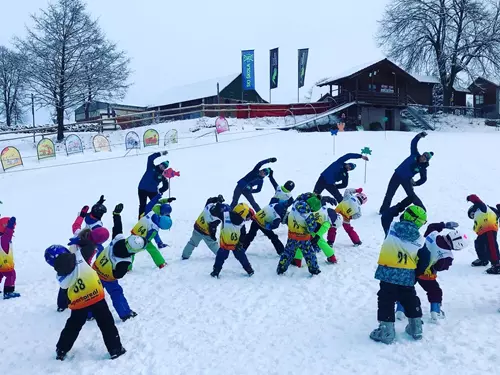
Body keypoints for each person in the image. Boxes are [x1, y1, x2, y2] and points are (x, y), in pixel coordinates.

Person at [47, 243, 126, 360]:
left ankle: (62, 349)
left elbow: (65, 293)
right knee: (106, 324)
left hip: (79, 303)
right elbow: (91, 245)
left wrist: (67, 304)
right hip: (96, 296)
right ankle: (115, 349)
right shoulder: (80, 256)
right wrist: (81, 240)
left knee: (73, 326)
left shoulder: (60, 277)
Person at [370, 203, 430, 344]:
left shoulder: (391, 229)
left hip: (387, 273)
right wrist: (416, 274)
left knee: (386, 300)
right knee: (409, 298)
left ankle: (386, 331)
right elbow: (425, 259)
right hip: (407, 275)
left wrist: (402, 204)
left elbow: (386, 215)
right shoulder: (421, 241)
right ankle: (416, 327)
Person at [396, 221, 466, 322]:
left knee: (405, 288)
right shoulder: (447, 256)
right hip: (425, 274)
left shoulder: (433, 234)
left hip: (410, 265)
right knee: (435, 291)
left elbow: (431, 226)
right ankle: (435, 311)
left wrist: (444, 225)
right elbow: (439, 267)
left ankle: (400, 309)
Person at [92, 203, 145, 322]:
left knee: (93, 294)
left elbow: (117, 227)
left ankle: (90, 314)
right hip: (107, 277)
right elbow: (118, 275)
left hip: (95, 268)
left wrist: (116, 214)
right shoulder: (124, 262)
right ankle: (125, 313)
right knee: (116, 293)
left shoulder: (118, 239)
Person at [379, 132, 433, 214]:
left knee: (411, 196)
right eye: (423, 156)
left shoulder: (422, 167)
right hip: (396, 175)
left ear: (426, 160)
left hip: (406, 180)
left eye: (425, 158)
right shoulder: (414, 154)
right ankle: (383, 211)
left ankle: (422, 210)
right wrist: (419, 136)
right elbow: (413, 143)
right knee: (389, 194)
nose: (423, 158)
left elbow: (424, 178)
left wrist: (415, 183)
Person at [277, 193, 322, 276]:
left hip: (292, 235)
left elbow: (302, 196)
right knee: (309, 254)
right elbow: (312, 227)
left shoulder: (295, 203)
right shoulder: (308, 215)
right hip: (303, 238)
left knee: (288, 253)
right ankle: (314, 269)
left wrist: (313, 195)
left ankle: (281, 268)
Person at [292, 196, 340, 267]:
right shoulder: (328, 221)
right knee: (321, 242)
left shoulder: (324, 208)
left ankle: (297, 260)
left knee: (302, 241)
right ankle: (332, 257)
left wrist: (328, 198)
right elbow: (323, 229)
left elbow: (321, 200)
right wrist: (317, 236)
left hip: (306, 219)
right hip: (311, 226)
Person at [210, 203, 255, 278]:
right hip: (236, 244)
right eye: (247, 215)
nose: (247, 218)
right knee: (242, 257)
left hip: (225, 244)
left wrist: (218, 203)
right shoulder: (242, 222)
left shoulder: (225, 215)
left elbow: (214, 212)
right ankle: (249, 269)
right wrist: (240, 243)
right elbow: (243, 234)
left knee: (220, 258)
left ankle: (216, 271)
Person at [130, 193, 172, 269]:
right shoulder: (155, 229)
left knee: (130, 252)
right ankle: (161, 263)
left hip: (134, 234)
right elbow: (148, 238)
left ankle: (127, 268)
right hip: (141, 241)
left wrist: (156, 198)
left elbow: (150, 204)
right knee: (153, 250)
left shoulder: (150, 213)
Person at [182, 195, 225, 260]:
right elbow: (212, 228)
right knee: (212, 244)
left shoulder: (209, 206)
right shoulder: (216, 218)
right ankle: (220, 255)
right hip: (206, 232)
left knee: (192, 242)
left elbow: (210, 200)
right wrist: (213, 237)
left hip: (197, 226)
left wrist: (217, 200)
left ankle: (185, 255)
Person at [466, 194, 500, 273]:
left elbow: (477, 201)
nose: (473, 217)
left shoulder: (482, 209)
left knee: (491, 246)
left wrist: (470, 197)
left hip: (489, 229)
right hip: (483, 232)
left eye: (472, 214)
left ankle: (496, 265)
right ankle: (483, 259)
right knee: (479, 243)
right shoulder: (486, 213)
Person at [138, 151, 169, 218]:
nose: (162, 167)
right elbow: (150, 158)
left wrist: (160, 191)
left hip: (152, 191)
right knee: (142, 205)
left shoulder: (162, 176)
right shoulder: (151, 167)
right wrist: (160, 154)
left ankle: (159, 218)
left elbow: (166, 186)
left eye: (164, 167)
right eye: (162, 165)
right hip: (142, 189)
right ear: (160, 164)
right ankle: (141, 220)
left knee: (157, 204)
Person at [0, 217, 19, 299]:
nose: (13, 230)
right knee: (11, 274)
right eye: (13, 228)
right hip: (5, 262)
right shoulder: (4, 238)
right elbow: (8, 234)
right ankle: (8, 292)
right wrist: (10, 226)